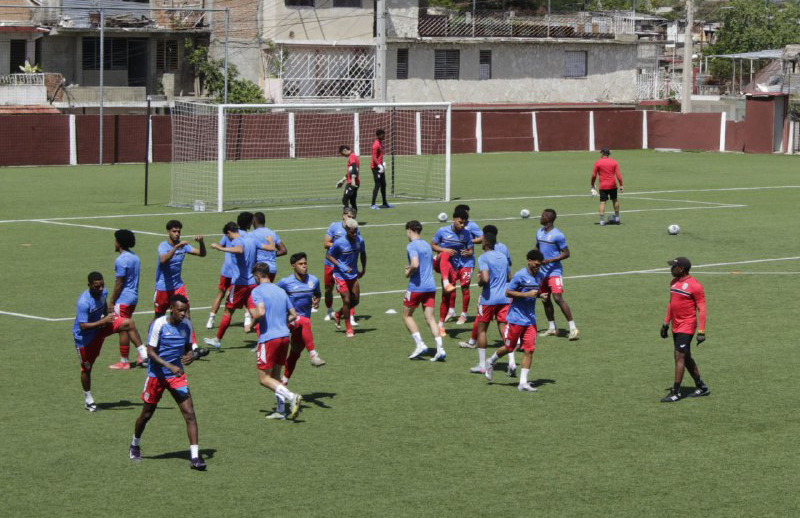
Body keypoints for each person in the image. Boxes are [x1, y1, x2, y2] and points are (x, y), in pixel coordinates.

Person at [129, 294, 206, 470]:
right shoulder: (159, 324)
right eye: (179, 310)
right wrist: (169, 366)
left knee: (190, 414)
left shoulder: (187, 324)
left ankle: (195, 458)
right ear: (171, 309)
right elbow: (150, 352)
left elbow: (187, 349)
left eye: (185, 310)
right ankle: (135, 443)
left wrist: (191, 356)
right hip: (157, 375)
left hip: (176, 376)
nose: (183, 314)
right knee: (147, 414)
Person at [72, 272, 144, 411]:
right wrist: (103, 321)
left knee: (128, 323)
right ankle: (88, 398)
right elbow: (83, 326)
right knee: (87, 368)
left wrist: (106, 315)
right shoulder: (83, 302)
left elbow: (104, 305)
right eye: (96, 286)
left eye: (102, 285)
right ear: (89, 286)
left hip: (100, 327)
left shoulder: (103, 292)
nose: (100, 289)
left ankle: (143, 352)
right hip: (85, 339)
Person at [484, 250, 545, 392]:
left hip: (530, 319)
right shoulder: (519, 275)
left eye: (540, 265)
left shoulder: (540, 276)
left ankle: (523, 383)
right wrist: (526, 294)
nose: (538, 267)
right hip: (516, 318)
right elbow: (508, 292)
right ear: (529, 261)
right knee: (510, 347)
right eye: (536, 264)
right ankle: (490, 361)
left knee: (529, 350)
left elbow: (535, 293)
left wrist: (541, 296)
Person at [250, 263, 303, 420]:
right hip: (284, 337)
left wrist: (250, 325)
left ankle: (292, 396)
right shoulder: (280, 291)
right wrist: (281, 322)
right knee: (276, 376)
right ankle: (281, 411)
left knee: (264, 378)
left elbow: (260, 312)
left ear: (258, 276)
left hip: (269, 339)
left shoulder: (257, 291)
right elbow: (293, 314)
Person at [660, 257, 710, 403]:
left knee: (679, 356)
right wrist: (665, 323)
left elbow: (702, 308)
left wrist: (701, 331)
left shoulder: (695, 286)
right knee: (686, 357)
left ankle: (676, 392)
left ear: (681, 269)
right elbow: (671, 304)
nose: (671, 269)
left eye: (673, 267)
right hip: (676, 325)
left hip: (687, 325)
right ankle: (701, 386)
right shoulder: (674, 282)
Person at [204, 221, 257, 348]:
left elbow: (238, 249)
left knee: (228, 311)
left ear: (228, 232)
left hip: (240, 283)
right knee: (255, 313)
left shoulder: (237, 242)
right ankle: (264, 341)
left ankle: (217, 339)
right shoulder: (250, 240)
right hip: (252, 283)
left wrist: (220, 248)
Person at [278, 252, 326, 379]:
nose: (304, 266)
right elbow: (274, 295)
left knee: (295, 354)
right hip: (288, 320)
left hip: (303, 327)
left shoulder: (314, 280)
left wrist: (317, 301)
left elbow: (317, 294)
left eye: (305, 263)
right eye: (300, 264)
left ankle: (284, 383)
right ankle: (313, 355)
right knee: (304, 321)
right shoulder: (285, 282)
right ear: (293, 266)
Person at [153, 220, 206, 334]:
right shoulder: (163, 246)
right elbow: (163, 260)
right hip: (163, 287)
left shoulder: (183, 246)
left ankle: (192, 345)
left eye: (178, 231)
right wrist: (176, 247)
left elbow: (202, 254)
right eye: (174, 231)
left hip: (178, 286)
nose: (177, 234)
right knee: (158, 318)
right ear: (168, 232)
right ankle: (151, 343)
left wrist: (201, 242)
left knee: (186, 313)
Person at [469, 233, 511, 375]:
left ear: (485, 243)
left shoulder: (483, 258)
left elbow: (485, 279)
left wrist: (480, 280)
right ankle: (511, 362)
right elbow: (509, 277)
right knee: (504, 329)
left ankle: (482, 366)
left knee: (482, 330)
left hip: (488, 299)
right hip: (504, 299)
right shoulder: (503, 257)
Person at [404, 220, 445, 362]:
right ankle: (440, 349)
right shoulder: (427, 245)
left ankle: (420, 344)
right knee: (430, 318)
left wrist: (408, 271)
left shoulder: (412, 246)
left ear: (409, 230)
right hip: (430, 287)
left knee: (407, 316)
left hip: (416, 287)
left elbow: (415, 263)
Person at [536, 209, 579, 341]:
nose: (541, 217)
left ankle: (573, 328)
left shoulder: (558, 235)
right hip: (542, 273)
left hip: (554, 272)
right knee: (545, 299)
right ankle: (552, 327)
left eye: (543, 215)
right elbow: (537, 248)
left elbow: (566, 253)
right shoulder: (539, 232)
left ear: (549, 218)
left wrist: (550, 260)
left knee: (558, 298)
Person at [431, 206, 473, 337]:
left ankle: (441, 325)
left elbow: (470, 249)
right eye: (460, 222)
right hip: (440, 262)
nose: (462, 225)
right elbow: (433, 245)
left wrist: (468, 252)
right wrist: (444, 250)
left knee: (446, 297)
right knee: (444, 255)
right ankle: (445, 282)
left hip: (453, 267)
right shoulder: (442, 231)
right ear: (454, 219)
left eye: (464, 223)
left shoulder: (466, 234)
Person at [108, 229, 146, 369]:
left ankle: (125, 361)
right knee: (128, 325)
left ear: (119, 242)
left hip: (123, 299)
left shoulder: (121, 260)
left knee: (122, 328)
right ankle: (141, 356)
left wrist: (112, 301)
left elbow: (119, 283)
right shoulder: (134, 257)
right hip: (133, 298)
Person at [326, 218, 367, 338]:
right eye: (352, 232)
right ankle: (348, 328)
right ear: (346, 229)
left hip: (353, 275)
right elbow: (329, 256)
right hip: (340, 275)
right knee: (347, 301)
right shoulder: (339, 242)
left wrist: (363, 268)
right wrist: (341, 266)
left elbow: (363, 254)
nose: (354, 234)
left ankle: (338, 314)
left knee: (356, 300)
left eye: (356, 231)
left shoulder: (360, 240)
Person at [322, 207, 360, 328]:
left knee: (350, 293)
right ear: (343, 216)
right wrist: (341, 246)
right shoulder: (334, 226)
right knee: (328, 289)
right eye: (349, 216)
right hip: (331, 263)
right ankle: (329, 310)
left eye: (353, 217)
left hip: (347, 266)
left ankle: (351, 316)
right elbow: (326, 243)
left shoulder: (354, 228)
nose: (351, 219)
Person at [446, 205, 483, 325]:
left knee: (465, 287)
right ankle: (451, 310)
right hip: (453, 262)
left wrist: (468, 241)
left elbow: (482, 237)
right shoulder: (449, 229)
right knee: (451, 286)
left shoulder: (471, 226)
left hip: (467, 262)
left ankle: (464, 314)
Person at [250, 211, 287, 282]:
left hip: (259, 269)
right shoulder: (272, 233)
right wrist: (271, 254)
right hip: (272, 269)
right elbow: (283, 250)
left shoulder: (251, 235)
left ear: (254, 221)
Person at [591, 148, 624, 226]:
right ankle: (617, 218)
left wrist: (592, 184)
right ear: (608, 154)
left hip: (603, 186)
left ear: (602, 154)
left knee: (602, 202)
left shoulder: (598, 162)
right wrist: (621, 185)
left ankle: (602, 221)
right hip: (613, 185)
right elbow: (618, 175)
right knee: (615, 200)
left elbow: (594, 175)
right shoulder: (614, 162)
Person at [370, 129, 392, 209]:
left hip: (380, 167)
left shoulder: (381, 143)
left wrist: (382, 163)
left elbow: (379, 156)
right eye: (383, 135)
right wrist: (379, 165)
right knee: (377, 185)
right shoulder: (376, 144)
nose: (384, 136)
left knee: (383, 184)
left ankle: (384, 203)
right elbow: (374, 157)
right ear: (379, 135)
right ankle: (373, 204)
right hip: (375, 168)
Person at [336, 145, 360, 211]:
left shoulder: (351, 156)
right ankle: (353, 220)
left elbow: (354, 168)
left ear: (345, 151)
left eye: (343, 154)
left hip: (352, 183)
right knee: (352, 202)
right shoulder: (354, 156)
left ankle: (347, 219)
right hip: (356, 182)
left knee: (345, 200)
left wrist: (352, 180)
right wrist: (342, 180)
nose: (344, 156)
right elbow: (350, 171)